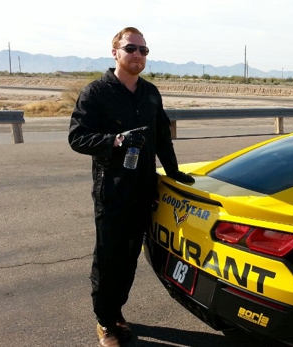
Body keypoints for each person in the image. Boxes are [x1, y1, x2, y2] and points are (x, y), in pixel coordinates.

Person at [68, 26, 194, 347]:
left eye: (143, 50)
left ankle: (117, 312)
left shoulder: (150, 92)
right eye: (131, 49)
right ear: (115, 52)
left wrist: (174, 171)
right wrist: (116, 140)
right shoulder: (96, 92)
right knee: (109, 258)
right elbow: (77, 137)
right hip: (112, 190)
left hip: (143, 189)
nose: (137, 55)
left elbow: (162, 137)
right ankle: (105, 322)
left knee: (129, 258)